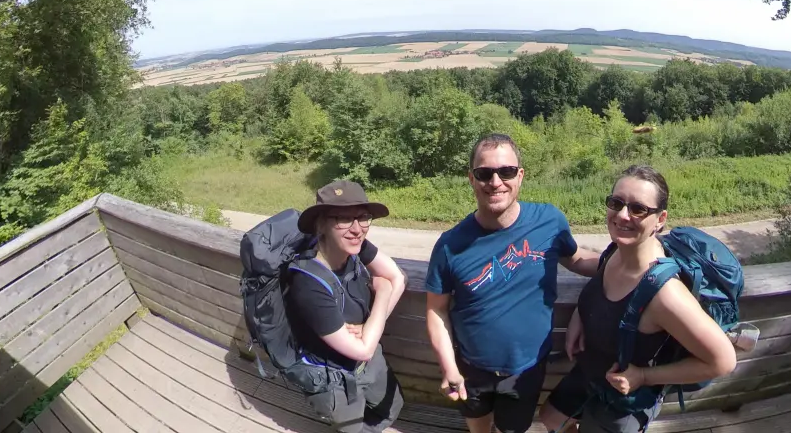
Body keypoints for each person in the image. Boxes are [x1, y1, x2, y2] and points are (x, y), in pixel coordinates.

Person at [424, 134, 607, 433]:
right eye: (484, 173)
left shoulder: (549, 221)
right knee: (478, 428)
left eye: (506, 171)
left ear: (520, 175)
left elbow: (575, 259)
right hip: (470, 368)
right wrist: (449, 367)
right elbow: (436, 310)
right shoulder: (449, 245)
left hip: (527, 370)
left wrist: (625, 264)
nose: (495, 182)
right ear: (471, 179)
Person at [539, 165, 738, 433]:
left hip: (624, 401)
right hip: (591, 372)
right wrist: (581, 314)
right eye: (616, 203)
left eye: (638, 209)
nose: (623, 215)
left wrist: (644, 376)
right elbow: (594, 273)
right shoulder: (617, 251)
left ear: (660, 219)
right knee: (550, 416)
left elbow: (723, 361)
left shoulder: (665, 293)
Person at [286, 179, 408, 432]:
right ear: (321, 224)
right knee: (353, 428)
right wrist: (383, 292)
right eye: (343, 218)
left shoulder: (356, 246)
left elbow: (398, 277)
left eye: (363, 217)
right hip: (334, 379)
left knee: (392, 408)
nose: (356, 229)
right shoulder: (307, 283)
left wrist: (368, 328)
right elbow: (361, 350)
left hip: (370, 363)